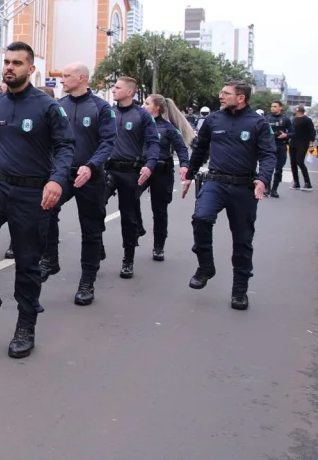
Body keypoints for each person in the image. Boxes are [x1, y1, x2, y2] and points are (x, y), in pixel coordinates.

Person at [0, 42, 74, 358]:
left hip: (33, 192)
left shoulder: (47, 107)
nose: (10, 67)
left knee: (27, 263)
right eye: (7, 62)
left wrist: (56, 179)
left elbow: (65, 147)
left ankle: (26, 326)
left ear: (31, 69)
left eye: (17, 63)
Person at [183, 81, 275, 310]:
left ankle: (240, 291)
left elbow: (268, 154)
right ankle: (205, 266)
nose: (220, 96)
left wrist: (263, 179)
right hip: (215, 181)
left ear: (241, 97)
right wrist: (189, 175)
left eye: (226, 93)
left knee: (242, 241)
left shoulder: (258, 123)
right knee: (201, 218)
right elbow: (200, 149)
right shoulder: (213, 120)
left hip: (243, 187)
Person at [40, 62, 116, 306]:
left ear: (81, 78)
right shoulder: (57, 106)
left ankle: (87, 282)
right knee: (45, 209)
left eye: (66, 75)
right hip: (62, 174)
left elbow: (108, 142)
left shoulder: (101, 108)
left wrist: (91, 166)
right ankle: (50, 258)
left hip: (91, 176)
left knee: (91, 230)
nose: (62, 80)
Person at [105, 76, 159, 280]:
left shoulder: (142, 116)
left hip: (131, 172)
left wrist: (149, 165)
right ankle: (97, 247)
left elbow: (153, 142)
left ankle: (128, 259)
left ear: (129, 92)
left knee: (128, 217)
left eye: (117, 88)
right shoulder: (107, 112)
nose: (113, 91)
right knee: (94, 208)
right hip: (108, 169)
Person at [141, 94, 192, 261]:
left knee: (160, 211)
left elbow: (181, 148)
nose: (143, 106)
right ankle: (137, 229)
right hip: (141, 170)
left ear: (157, 108)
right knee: (129, 201)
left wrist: (184, 165)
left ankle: (158, 247)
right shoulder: (139, 124)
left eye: (147, 103)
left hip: (162, 172)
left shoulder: (169, 128)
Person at [264, 100, 292, 197]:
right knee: (268, 168)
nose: (273, 108)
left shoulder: (285, 119)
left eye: (275, 106)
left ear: (280, 108)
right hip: (269, 146)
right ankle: (267, 188)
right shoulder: (266, 118)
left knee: (278, 169)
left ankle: (274, 190)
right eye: (272, 106)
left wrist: (286, 135)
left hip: (281, 145)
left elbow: (293, 132)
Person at [289, 106, 315, 191]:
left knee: (299, 161)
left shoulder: (307, 120)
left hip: (303, 143)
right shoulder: (294, 119)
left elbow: (312, 133)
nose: (293, 110)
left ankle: (308, 183)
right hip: (293, 143)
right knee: (293, 163)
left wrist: (311, 145)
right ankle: (296, 182)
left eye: (294, 109)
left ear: (298, 110)